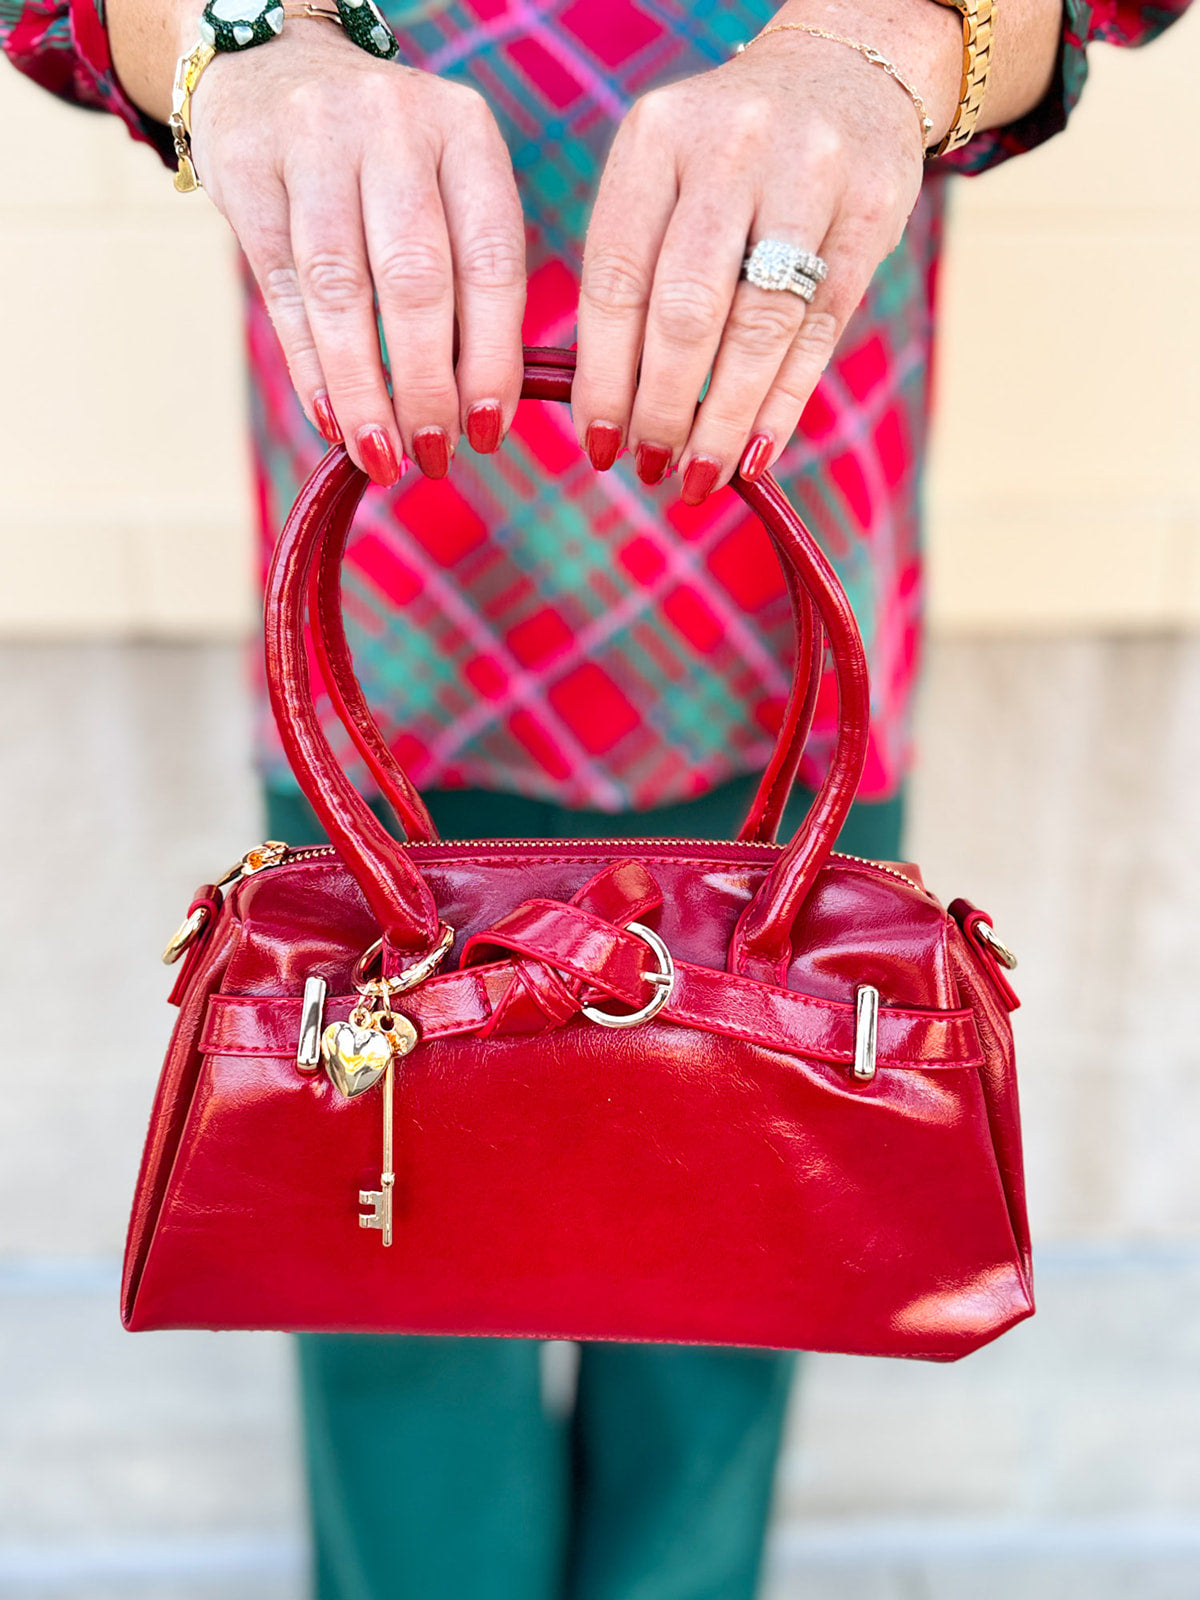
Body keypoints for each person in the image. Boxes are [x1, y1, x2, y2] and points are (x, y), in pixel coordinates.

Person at [3, 0, 1188, 1595]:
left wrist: (886, 44)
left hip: (782, 655)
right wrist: (242, 44)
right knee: (386, 1307)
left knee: (735, 1296)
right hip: (384, 646)